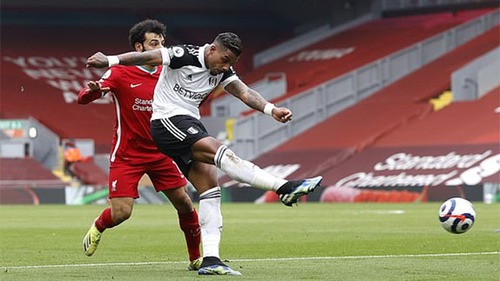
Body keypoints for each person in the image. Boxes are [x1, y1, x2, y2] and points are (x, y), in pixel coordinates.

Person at [86, 32, 322, 276]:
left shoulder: (222, 71)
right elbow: (149, 56)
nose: (226, 66)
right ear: (211, 50)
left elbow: (244, 92)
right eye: (225, 59)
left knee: (210, 189)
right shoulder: (184, 54)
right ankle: (284, 187)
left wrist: (271, 110)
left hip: (190, 123)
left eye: (231, 63)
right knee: (223, 154)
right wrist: (111, 60)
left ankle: (211, 258)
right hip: (166, 121)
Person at [78, 19, 202, 270]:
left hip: (162, 151)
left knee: (185, 202)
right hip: (128, 154)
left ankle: (195, 258)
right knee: (122, 213)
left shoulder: (168, 71)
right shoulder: (120, 71)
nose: (160, 48)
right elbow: (83, 98)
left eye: (162, 43)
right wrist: (93, 91)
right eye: (154, 43)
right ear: (139, 47)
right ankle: (98, 226)